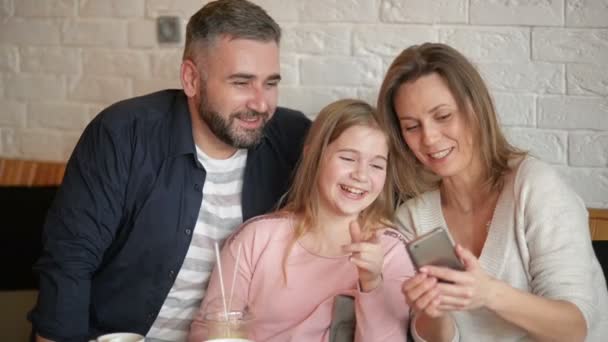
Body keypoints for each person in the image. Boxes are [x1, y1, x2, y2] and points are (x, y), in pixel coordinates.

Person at [28, 1, 311, 341]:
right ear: (191, 79)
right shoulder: (123, 134)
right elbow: (68, 262)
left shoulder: (292, 138)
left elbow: (362, 168)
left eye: (270, 83)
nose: (261, 103)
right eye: (241, 82)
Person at [376, 42, 608, 341]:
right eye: (411, 126)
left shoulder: (534, 186)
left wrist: (488, 293)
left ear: (475, 108)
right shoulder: (412, 219)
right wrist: (434, 311)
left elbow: (574, 328)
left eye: (443, 116)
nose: (430, 138)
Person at [188, 99, 414, 342]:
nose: (361, 175)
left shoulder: (392, 251)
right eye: (348, 158)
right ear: (312, 154)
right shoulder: (256, 238)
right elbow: (207, 331)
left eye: (377, 165)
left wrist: (372, 283)